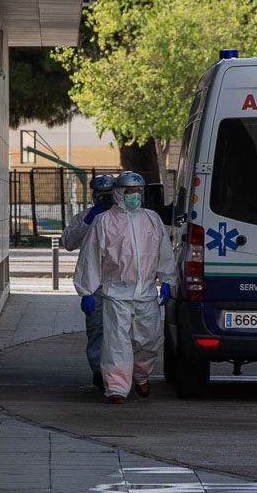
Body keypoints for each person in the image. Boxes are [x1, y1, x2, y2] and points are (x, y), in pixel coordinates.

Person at [73, 171, 176, 403]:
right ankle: (117, 387)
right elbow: (90, 257)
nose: (134, 196)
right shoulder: (104, 221)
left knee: (148, 340)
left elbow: (164, 252)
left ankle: (141, 375)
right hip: (115, 293)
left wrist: (167, 280)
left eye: (138, 192)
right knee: (116, 342)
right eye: (130, 192)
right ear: (119, 193)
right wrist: (87, 291)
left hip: (146, 292)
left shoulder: (151, 219)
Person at [61, 174, 117, 389]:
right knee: (97, 330)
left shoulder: (124, 218)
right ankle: (99, 372)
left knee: (123, 331)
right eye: (100, 195)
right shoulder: (84, 217)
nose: (104, 200)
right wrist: (88, 221)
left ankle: (121, 371)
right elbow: (68, 242)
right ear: (93, 196)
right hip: (95, 285)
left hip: (120, 283)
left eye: (108, 195)